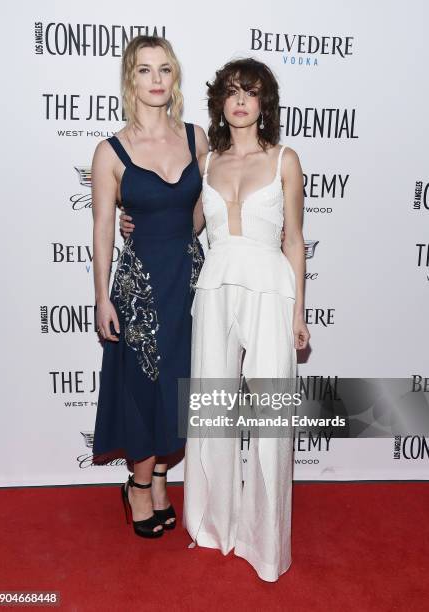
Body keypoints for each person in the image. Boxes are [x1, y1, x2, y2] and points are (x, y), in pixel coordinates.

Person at [120, 57, 310, 579]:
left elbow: (294, 240)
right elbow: (184, 219)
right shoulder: (207, 160)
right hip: (213, 288)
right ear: (221, 104)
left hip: (269, 289)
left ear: (264, 102)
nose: (241, 100)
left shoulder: (285, 160)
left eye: (251, 91)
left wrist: (299, 311)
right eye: (231, 92)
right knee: (211, 415)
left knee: (270, 419)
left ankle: (264, 544)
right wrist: (132, 214)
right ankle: (212, 524)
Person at [92, 35, 207, 538]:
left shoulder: (198, 137)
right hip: (139, 285)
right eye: (144, 70)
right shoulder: (110, 151)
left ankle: (160, 475)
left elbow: (202, 217)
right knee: (143, 386)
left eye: (164, 69)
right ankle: (138, 486)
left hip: (188, 277)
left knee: (183, 383)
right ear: (130, 79)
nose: (156, 79)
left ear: (174, 76)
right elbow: (100, 229)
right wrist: (100, 298)